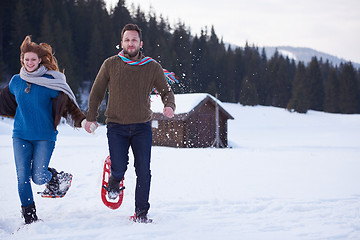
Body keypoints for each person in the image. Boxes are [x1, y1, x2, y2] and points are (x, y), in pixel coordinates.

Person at [82, 23, 176, 223]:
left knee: (144, 171)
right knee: (119, 166)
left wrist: (169, 105)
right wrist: (91, 116)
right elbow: (97, 91)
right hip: (116, 126)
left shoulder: (152, 66)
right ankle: (114, 180)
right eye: (127, 39)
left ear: (140, 43)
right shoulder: (110, 64)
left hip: (142, 126)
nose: (130, 43)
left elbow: (166, 90)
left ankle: (141, 213)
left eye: (134, 40)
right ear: (121, 42)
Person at [0, 36, 87, 224]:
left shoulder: (51, 82)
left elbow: (69, 108)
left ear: (40, 60)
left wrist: (83, 121)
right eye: (26, 59)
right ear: (22, 60)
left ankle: (55, 177)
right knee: (22, 177)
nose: (29, 62)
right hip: (20, 135)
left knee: (38, 177)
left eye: (33, 59)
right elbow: (3, 102)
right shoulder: (16, 81)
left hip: (44, 137)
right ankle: (30, 218)